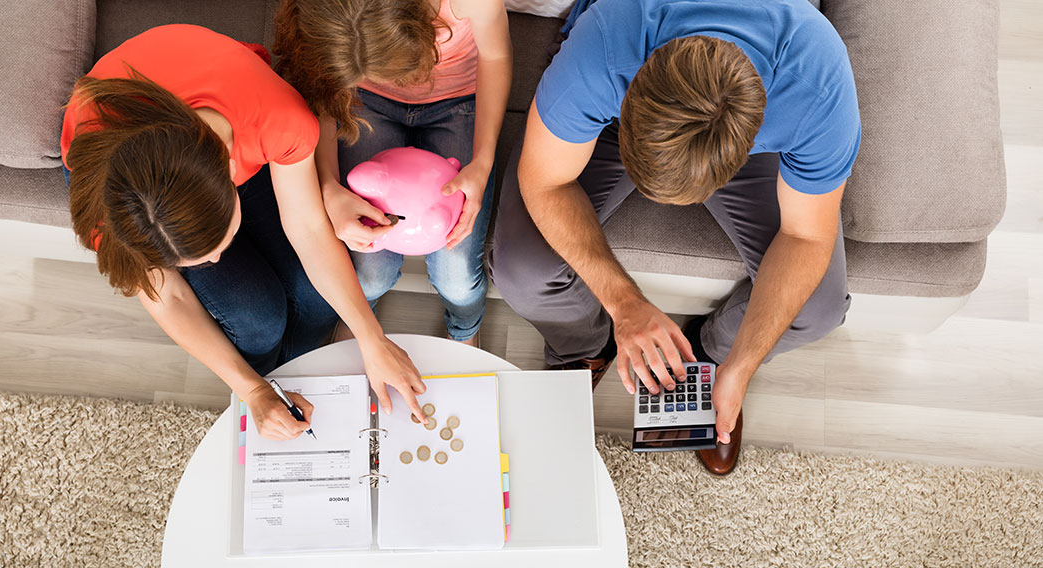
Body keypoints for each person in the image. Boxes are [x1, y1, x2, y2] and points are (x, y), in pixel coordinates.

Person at [489, 0, 860, 475]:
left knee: (819, 307)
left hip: (751, 128)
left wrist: (741, 364)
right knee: (522, 267)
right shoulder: (607, 41)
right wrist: (624, 304)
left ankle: (709, 358)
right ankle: (583, 345)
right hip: (619, 114)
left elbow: (806, 237)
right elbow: (544, 181)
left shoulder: (816, 83)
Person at [61, 24, 429, 441]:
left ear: (234, 179)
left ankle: (290, 374)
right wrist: (251, 389)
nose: (214, 261)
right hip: (117, 156)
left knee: (315, 297)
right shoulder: (110, 203)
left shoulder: (277, 119)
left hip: (235, 112)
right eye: (195, 261)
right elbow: (169, 296)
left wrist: (372, 338)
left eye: (214, 248)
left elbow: (307, 227)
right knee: (258, 319)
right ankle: (273, 380)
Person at [273, 0, 512, 347]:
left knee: (455, 273)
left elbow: (496, 57)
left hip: (460, 101)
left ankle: (464, 329)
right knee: (368, 270)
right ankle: (358, 318)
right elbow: (325, 88)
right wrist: (329, 185)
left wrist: (483, 163)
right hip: (365, 103)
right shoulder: (326, 22)